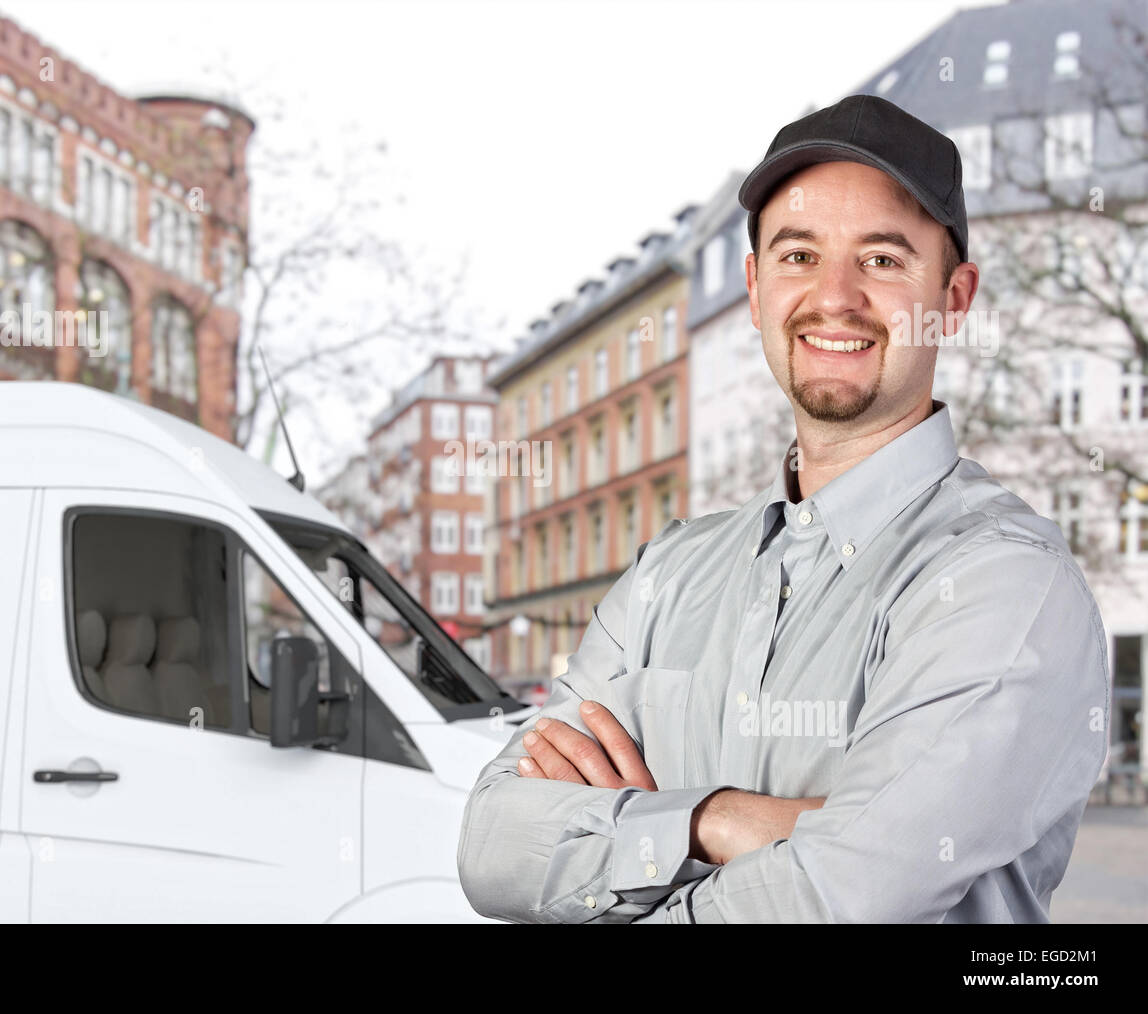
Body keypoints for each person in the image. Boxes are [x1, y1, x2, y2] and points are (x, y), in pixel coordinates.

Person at [456, 94, 1110, 923]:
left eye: (882, 260)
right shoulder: (670, 572)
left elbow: (846, 893)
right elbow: (491, 845)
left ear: (953, 297)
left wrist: (623, 840)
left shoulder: (1006, 583)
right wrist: (712, 818)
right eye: (799, 255)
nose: (834, 297)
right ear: (756, 287)